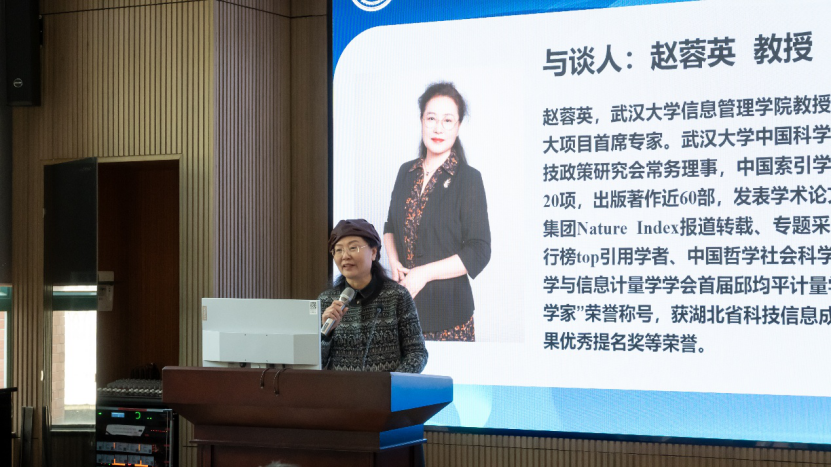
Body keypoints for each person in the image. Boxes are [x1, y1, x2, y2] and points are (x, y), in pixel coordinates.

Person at [384, 82, 491, 342]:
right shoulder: (406, 172)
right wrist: (394, 261)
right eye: (431, 118)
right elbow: (390, 227)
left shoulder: (468, 179)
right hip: (404, 312)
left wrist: (424, 273)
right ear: (421, 120)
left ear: (458, 126)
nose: (438, 128)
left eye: (447, 120)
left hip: (450, 317)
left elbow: (479, 251)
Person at [319, 219, 428, 372]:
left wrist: (392, 382)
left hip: (386, 387)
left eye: (353, 248)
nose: (345, 256)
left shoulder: (397, 296)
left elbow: (417, 353)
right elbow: (316, 362)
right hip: (341, 387)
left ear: (374, 252)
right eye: (338, 250)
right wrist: (326, 334)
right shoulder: (326, 301)